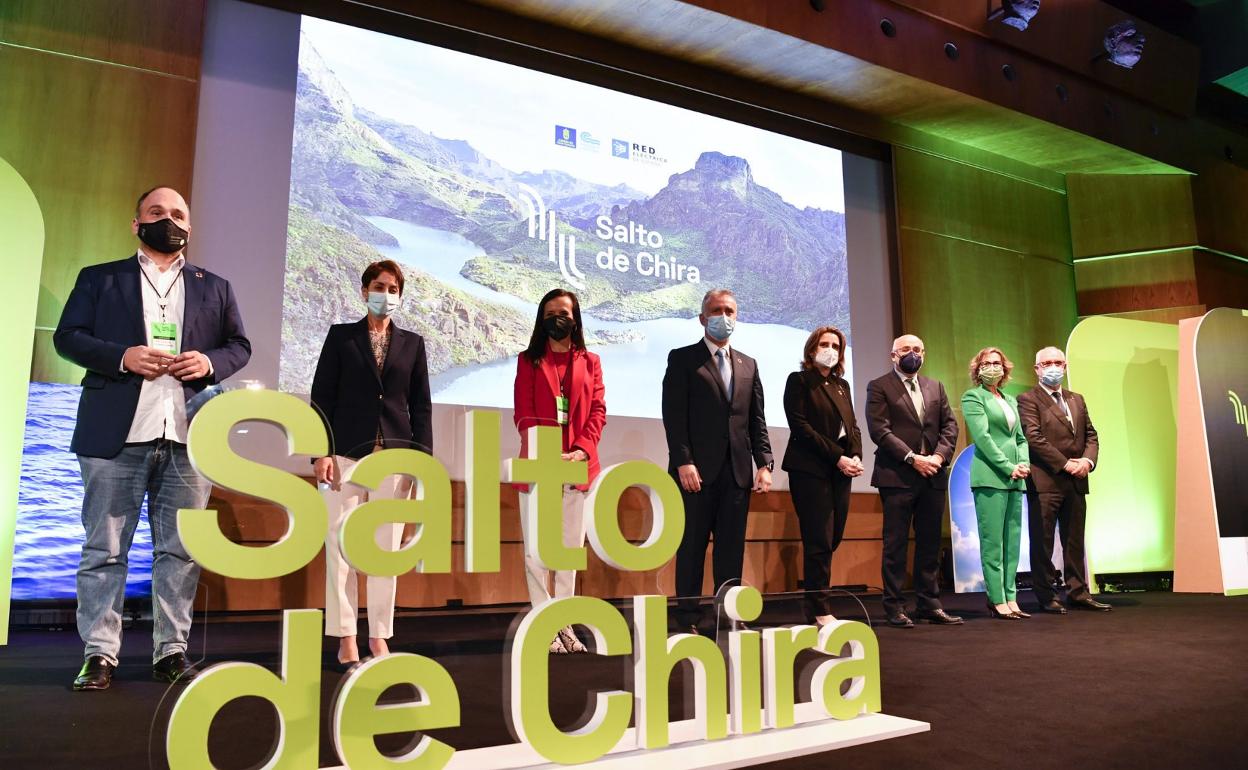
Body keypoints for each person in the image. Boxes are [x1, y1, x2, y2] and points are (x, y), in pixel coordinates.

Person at [54, 186, 251, 690]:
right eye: (157, 212)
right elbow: (68, 336)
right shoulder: (100, 279)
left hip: (188, 436)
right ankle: (99, 653)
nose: (169, 220)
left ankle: (171, 650)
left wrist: (209, 363)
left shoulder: (215, 287)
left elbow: (239, 346)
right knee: (105, 549)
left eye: (179, 214)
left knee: (180, 552)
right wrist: (122, 357)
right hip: (116, 435)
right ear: (136, 222)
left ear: (190, 226)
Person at [310, 260, 432, 666]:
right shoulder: (341, 338)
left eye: (394, 288)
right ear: (364, 291)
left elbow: (421, 408)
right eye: (380, 286)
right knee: (339, 549)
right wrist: (320, 452)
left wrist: (422, 465)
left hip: (395, 459)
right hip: (344, 455)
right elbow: (321, 398)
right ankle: (346, 635)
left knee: (385, 553)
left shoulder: (413, 344)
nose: (387, 294)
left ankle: (379, 635)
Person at [662, 289, 772, 634]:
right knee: (691, 548)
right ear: (702, 317)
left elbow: (757, 420)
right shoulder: (682, 359)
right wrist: (683, 461)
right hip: (694, 474)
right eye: (716, 310)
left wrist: (765, 463)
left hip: (737, 473)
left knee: (730, 551)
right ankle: (688, 620)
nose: (723, 316)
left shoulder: (748, 364)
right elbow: (674, 415)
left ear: (736, 317)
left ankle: (727, 616)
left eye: (729, 311)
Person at [512, 288, 607, 653]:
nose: (558, 318)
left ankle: (564, 623)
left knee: (568, 552)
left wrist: (582, 449)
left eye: (564, 312)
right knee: (536, 553)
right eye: (550, 312)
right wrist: (546, 453)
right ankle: (544, 626)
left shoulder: (591, 361)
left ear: (575, 317)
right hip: (539, 465)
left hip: (579, 466)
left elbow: (598, 410)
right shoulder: (528, 360)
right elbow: (522, 412)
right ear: (542, 319)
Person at [865, 334, 962, 627]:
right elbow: (879, 430)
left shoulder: (936, 386)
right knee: (895, 544)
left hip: (932, 475)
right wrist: (912, 458)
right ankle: (894, 606)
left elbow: (950, 426)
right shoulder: (879, 386)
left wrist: (938, 458)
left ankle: (929, 604)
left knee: (930, 543)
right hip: (897, 476)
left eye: (917, 349)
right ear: (893, 355)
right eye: (906, 349)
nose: (912, 354)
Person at [1017, 347, 1110, 612]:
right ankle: (1047, 596)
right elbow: (1033, 438)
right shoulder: (1027, 399)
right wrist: (1065, 463)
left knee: (1074, 540)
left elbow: (1091, 435)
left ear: (1065, 366)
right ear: (1037, 369)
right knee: (1043, 541)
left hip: (1076, 481)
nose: (1053, 367)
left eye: (1058, 362)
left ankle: (1078, 593)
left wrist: (1086, 461)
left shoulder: (1076, 399)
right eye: (1047, 363)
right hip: (1046, 480)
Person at [782, 326, 864, 626]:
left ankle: (817, 602)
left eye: (836, 345)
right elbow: (801, 427)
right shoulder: (800, 381)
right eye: (824, 343)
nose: (830, 349)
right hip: (810, 470)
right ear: (812, 349)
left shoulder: (843, 386)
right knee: (818, 538)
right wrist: (838, 457)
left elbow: (852, 426)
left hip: (841, 471)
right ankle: (818, 607)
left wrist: (855, 455)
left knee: (833, 536)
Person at [961, 347, 1030, 620]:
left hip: (1016, 478)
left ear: (1005, 369)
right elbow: (983, 438)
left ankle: (1012, 597)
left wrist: (1023, 464)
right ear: (978, 369)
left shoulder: (1010, 400)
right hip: (990, 476)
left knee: (1012, 542)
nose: (993, 367)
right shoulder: (972, 397)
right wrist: (1008, 466)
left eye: (997, 363)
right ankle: (996, 599)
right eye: (987, 363)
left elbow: (1021, 438)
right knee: (993, 543)